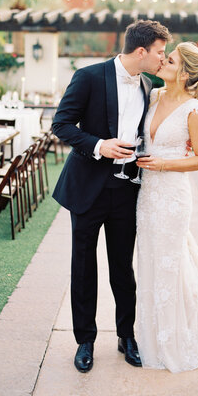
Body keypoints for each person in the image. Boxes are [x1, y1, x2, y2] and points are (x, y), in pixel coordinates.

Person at [52, 20, 171, 373]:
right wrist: (100, 146)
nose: (163, 59)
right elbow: (61, 124)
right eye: (160, 52)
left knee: (123, 268)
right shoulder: (88, 76)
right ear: (141, 51)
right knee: (83, 267)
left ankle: (126, 336)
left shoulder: (149, 84)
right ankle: (85, 341)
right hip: (87, 189)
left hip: (126, 190)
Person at [135, 41, 198, 372]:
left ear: (186, 72)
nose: (162, 61)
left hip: (173, 196)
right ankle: (150, 337)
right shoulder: (154, 96)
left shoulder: (194, 109)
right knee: (149, 261)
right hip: (147, 195)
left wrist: (163, 164)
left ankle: (178, 340)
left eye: (170, 60)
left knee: (171, 263)